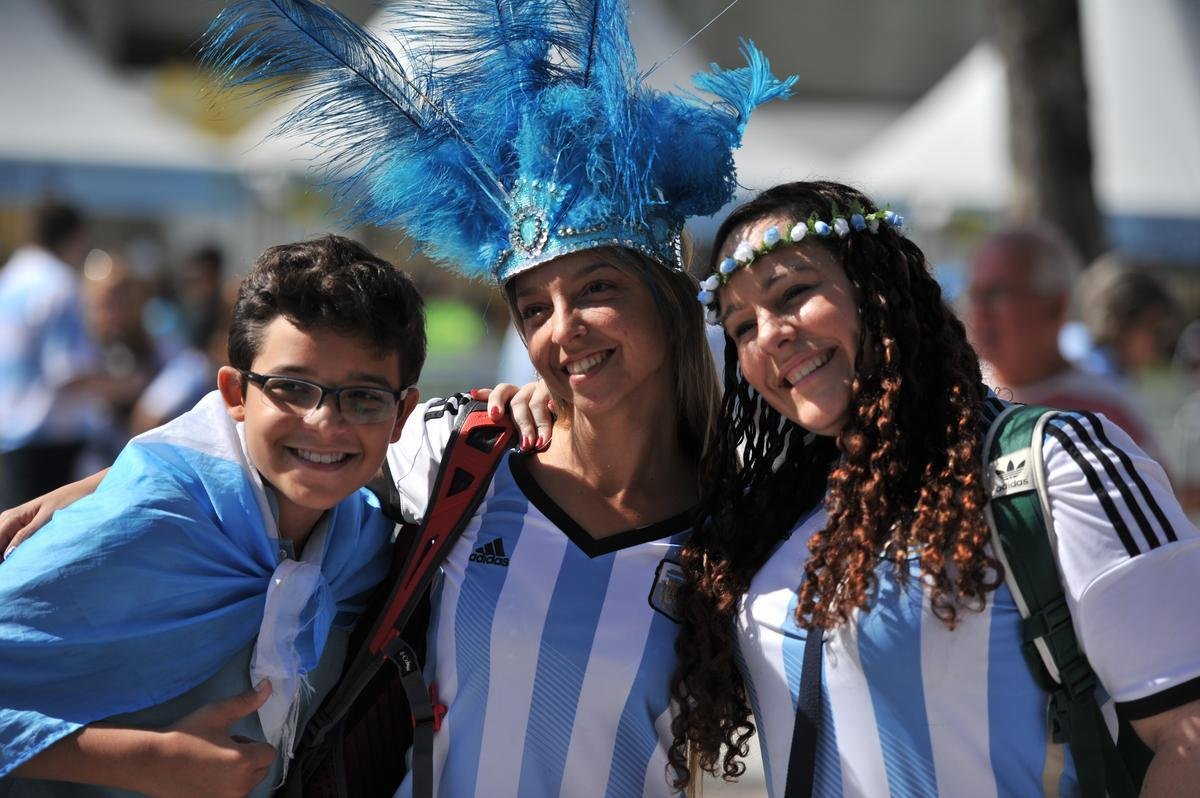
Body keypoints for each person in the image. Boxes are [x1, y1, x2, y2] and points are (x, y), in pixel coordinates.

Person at [2, 1, 793, 795]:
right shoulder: (464, 453)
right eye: (533, 307)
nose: (563, 330)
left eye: (597, 288)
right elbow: (286, 461)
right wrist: (106, 487)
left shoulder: (745, 524)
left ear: (666, 296)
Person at [666, 181, 1200, 796]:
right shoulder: (771, 514)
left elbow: (1188, 733)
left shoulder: (1052, 460)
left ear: (878, 286)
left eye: (794, 293)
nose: (771, 334)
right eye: (741, 327)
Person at [0, 234, 425, 796]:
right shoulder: (147, 517)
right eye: (292, 388)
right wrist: (140, 759)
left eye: (364, 398)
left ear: (401, 416)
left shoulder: (362, 541)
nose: (325, 422)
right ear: (236, 394)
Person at [965, 225, 1161, 453]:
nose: (979, 311)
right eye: (974, 294)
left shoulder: (1109, 411)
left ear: (1055, 306)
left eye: (997, 293)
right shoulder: (958, 394)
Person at [0, 201, 106, 507]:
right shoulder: (58, 283)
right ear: (75, 237)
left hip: (11, 434)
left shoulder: (9, 278)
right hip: (50, 441)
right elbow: (68, 371)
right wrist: (124, 385)